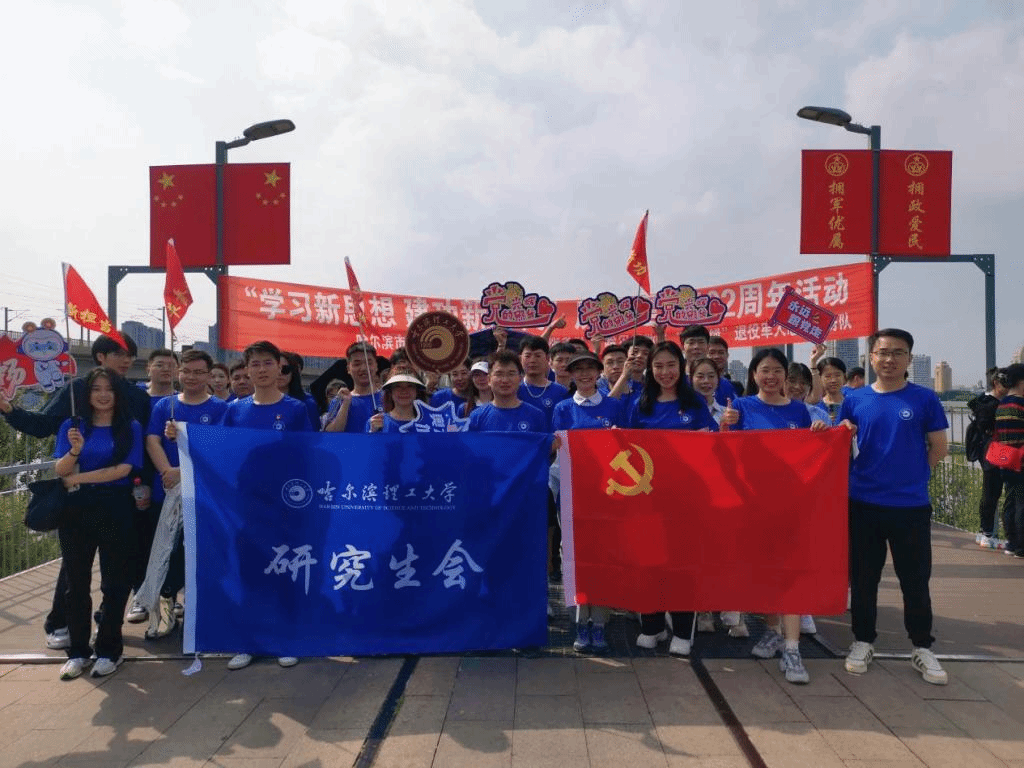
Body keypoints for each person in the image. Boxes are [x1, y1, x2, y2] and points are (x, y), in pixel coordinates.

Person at [0, 333, 148, 649]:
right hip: (78, 498)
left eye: (130, 356)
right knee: (74, 568)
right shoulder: (74, 391)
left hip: (121, 496)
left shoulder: (137, 398)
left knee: (117, 569)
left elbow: (144, 447)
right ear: (100, 357)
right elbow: (42, 425)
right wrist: (9, 409)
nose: (126, 361)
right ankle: (61, 622)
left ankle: (107, 629)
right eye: (119, 354)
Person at [838, 328, 950, 686]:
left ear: (909, 359)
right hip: (863, 503)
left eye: (898, 353)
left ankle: (922, 646)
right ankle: (862, 641)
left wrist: (915, 476)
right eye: (883, 352)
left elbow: (939, 447)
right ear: (871, 358)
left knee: (914, 580)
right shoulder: (854, 399)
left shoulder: (924, 398)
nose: (889, 359)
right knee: (864, 578)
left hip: (910, 506)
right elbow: (840, 443)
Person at [721, 348, 827, 684]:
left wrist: (821, 432)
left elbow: (814, 452)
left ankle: (792, 649)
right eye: (764, 370)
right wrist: (725, 426)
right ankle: (772, 631)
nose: (771, 376)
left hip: (792, 504)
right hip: (753, 504)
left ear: (785, 376)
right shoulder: (741, 407)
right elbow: (725, 454)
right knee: (766, 572)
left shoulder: (800, 410)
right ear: (754, 375)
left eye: (777, 370)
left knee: (790, 572)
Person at [220, 340, 315, 670]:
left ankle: (286, 639)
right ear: (246, 370)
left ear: (279, 367)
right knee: (249, 572)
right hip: (247, 505)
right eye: (255, 364)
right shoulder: (234, 410)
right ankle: (249, 641)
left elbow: (306, 455)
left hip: (285, 505)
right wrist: (181, 435)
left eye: (267, 363)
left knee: (286, 571)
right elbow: (220, 452)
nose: (261, 370)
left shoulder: (296, 409)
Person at [627, 342, 717, 657]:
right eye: (658, 366)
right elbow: (628, 449)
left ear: (681, 367)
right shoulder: (640, 404)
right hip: (647, 499)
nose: (665, 372)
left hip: (686, 499)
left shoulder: (694, 404)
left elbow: (711, 447)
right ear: (650, 370)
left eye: (671, 365)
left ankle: (681, 629)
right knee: (649, 563)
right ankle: (652, 625)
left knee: (681, 565)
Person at [54, 367, 144, 680]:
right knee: (75, 583)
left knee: (114, 582)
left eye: (109, 389)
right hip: (76, 510)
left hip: (115, 506)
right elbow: (60, 469)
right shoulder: (72, 426)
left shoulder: (129, 427)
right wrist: (75, 450)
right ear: (87, 394)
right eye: (96, 389)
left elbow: (123, 470)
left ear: (118, 394)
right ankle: (78, 651)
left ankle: (109, 650)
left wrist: (78, 478)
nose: (103, 395)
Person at [144, 350, 228, 637]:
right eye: (187, 371)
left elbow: (219, 449)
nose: (192, 377)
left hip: (205, 495)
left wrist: (183, 472)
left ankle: (202, 614)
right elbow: (152, 441)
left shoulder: (220, 409)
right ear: (179, 372)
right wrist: (167, 471)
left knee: (201, 555)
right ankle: (166, 608)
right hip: (168, 492)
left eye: (199, 372)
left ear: (209, 375)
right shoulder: (165, 406)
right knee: (167, 554)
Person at [551, 352, 622, 654]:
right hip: (571, 494)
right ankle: (580, 621)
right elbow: (557, 450)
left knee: (604, 556)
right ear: (570, 375)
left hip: (607, 495)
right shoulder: (563, 408)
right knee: (574, 558)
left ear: (598, 373)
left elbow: (628, 449)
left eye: (589, 369)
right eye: (577, 370)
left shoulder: (614, 407)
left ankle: (600, 622)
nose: (583, 375)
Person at [971, 367, 1008, 548]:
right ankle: (987, 533)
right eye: (1005, 383)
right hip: (993, 450)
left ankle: (983, 532)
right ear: (996, 383)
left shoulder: (985, 401)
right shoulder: (990, 404)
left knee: (991, 491)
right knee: (992, 492)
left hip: (989, 450)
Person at [468, 350, 547, 434]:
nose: (505, 380)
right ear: (489, 380)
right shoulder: (477, 417)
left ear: (520, 379)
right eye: (499, 374)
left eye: (511, 374)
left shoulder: (536, 416)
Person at [993, 364, 1024, 558]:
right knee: (1022, 503)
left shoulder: (1002, 404)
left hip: (1005, 460)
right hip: (1021, 461)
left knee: (1011, 501)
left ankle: (1011, 543)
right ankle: (1021, 546)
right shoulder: (1021, 405)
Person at [324, 342, 382, 433]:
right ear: (348, 368)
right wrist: (345, 405)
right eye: (357, 364)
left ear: (376, 366)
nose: (364, 368)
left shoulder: (388, 398)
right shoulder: (339, 401)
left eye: (369, 363)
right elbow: (330, 434)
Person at [816, 356, 848, 426]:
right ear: (820, 378)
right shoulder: (815, 407)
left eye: (837, 375)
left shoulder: (852, 405)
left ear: (844, 377)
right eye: (828, 376)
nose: (833, 380)